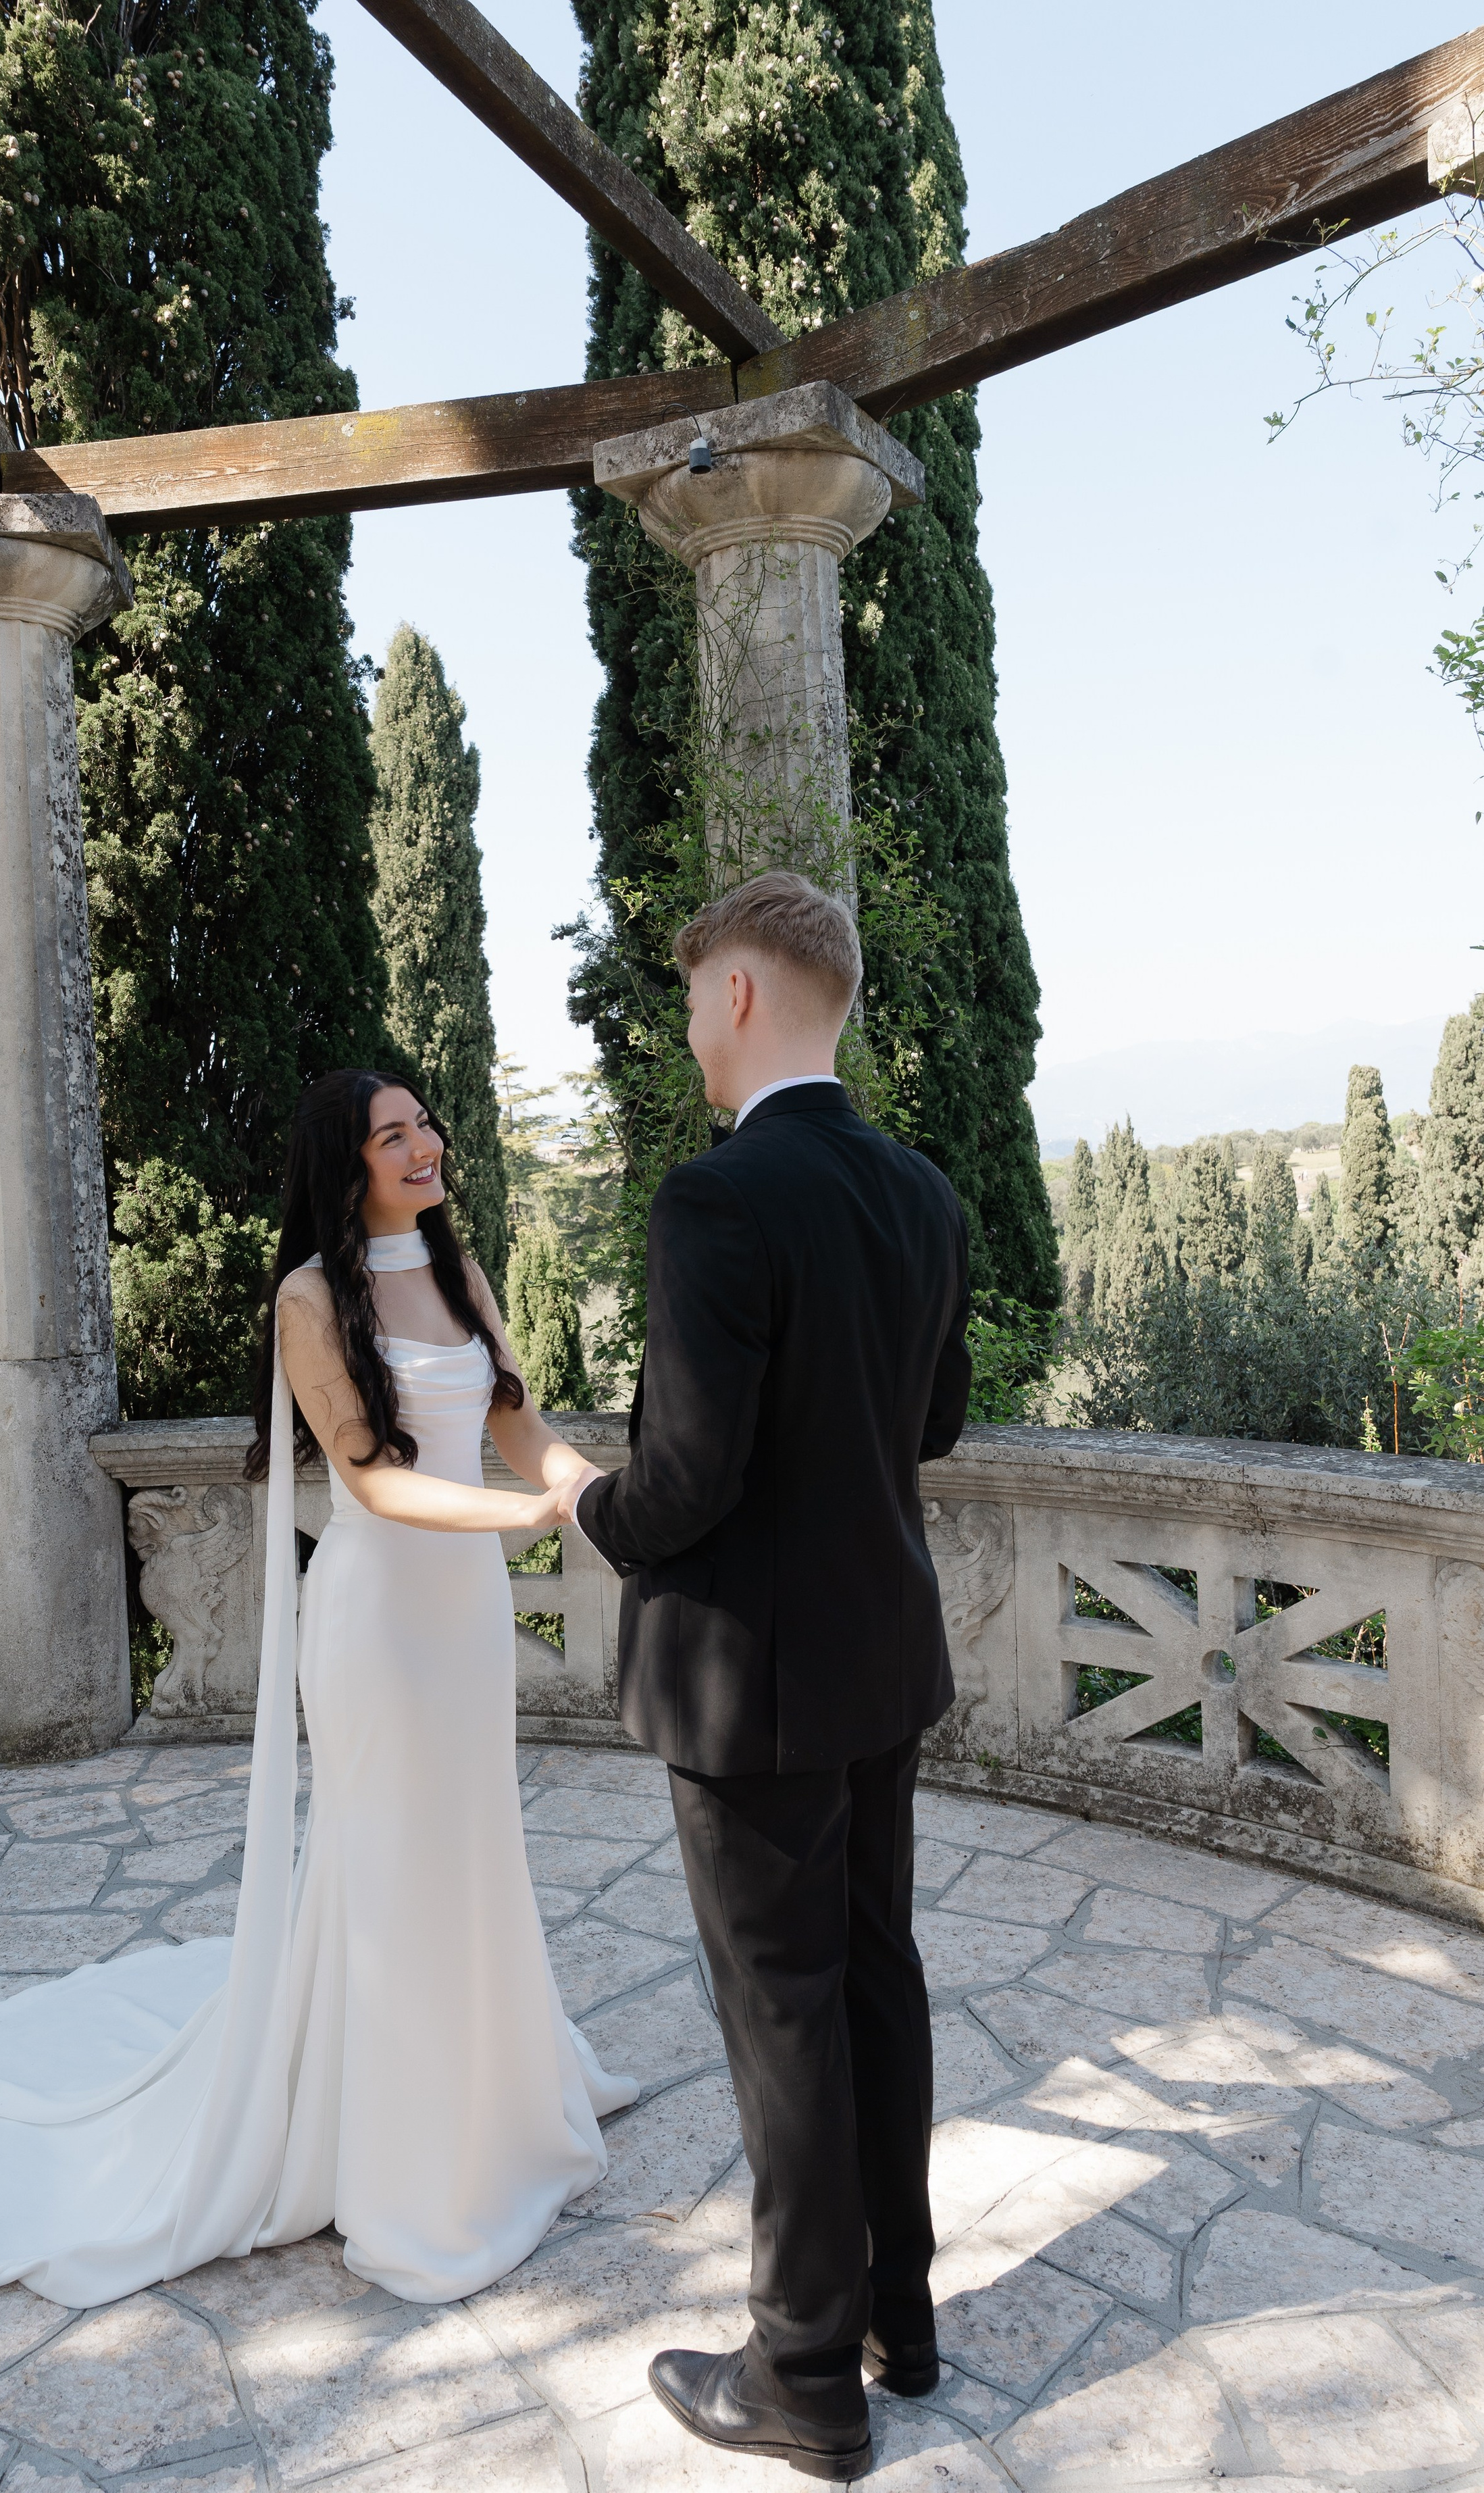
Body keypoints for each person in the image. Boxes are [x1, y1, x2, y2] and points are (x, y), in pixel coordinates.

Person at [0, 1069, 637, 2308]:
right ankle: (404, 2163)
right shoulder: (308, 1299)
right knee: (386, 1862)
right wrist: (527, 1516)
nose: (426, 1146)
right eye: (395, 1136)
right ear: (347, 1167)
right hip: (383, 1613)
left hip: (467, 1621)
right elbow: (379, 1484)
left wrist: (599, 1491)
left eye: (425, 1125)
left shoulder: (460, 1269)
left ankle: (495, 2094)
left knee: (473, 1843)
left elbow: (524, 1430)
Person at [557, 870, 971, 2484]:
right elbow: (926, 1426)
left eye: (689, 995)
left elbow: (681, 1490)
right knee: (872, 1976)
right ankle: (896, 2320)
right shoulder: (920, 1193)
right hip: (881, 1659)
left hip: (745, 1689)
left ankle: (800, 2377)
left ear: (738, 992)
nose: (687, 1033)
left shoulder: (714, 1201)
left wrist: (580, 1498)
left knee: (781, 2015)